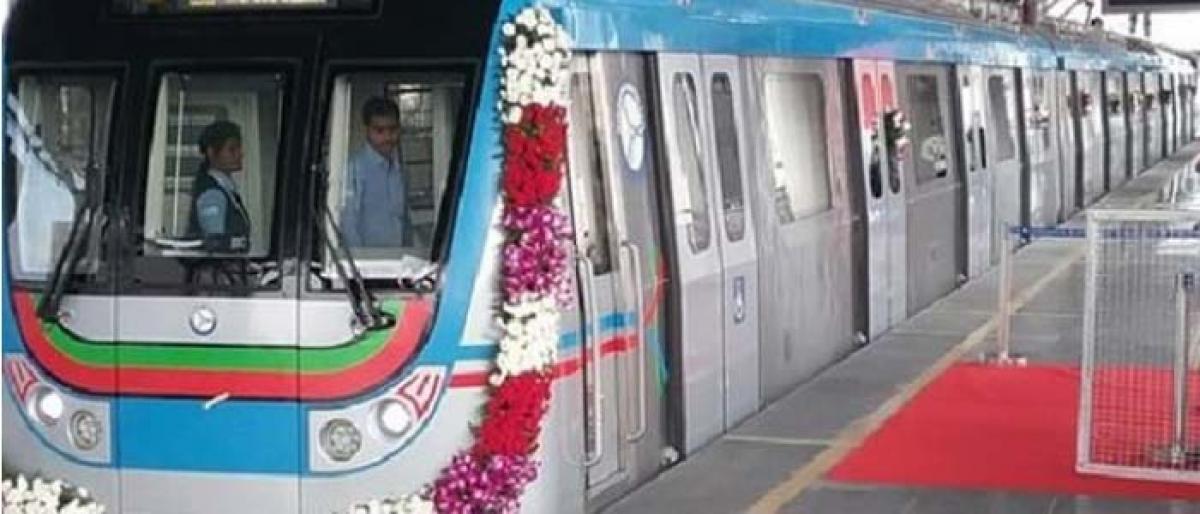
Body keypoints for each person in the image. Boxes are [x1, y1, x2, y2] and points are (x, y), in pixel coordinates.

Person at [340, 96, 410, 248]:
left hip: (401, 264)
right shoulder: (354, 170)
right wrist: (359, 265)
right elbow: (349, 226)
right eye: (379, 130)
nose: (387, 137)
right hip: (367, 266)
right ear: (367, 130)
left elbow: (405, 222)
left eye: (392, 130)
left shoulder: (400, 170)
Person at [189, 120, 251, 253]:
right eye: (232, 149)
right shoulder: (212, 194)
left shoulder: (226, 189)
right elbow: (215, 243)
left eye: (239, 148)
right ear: (211, 152)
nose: (240, 154)